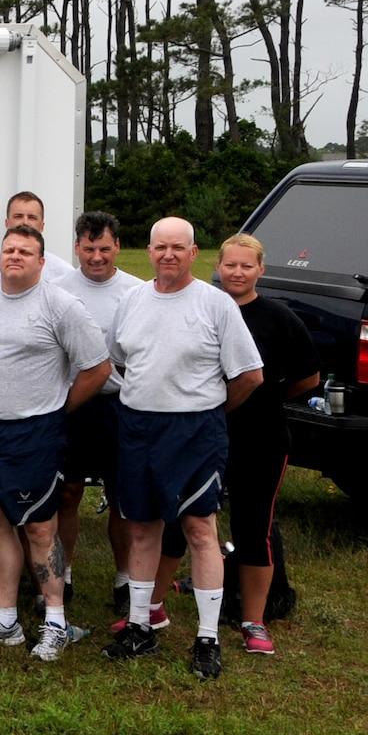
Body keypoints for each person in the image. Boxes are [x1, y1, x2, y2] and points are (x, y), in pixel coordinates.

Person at [138, 234, 320, 657]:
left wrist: (267, 400)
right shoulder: (200, 305)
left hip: (259, 438)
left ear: (261, 269)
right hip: (195, 435)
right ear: (216, 266)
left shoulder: (279, 318)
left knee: (253, 527)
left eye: (247, 266)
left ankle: (253, 620)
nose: (237, 273)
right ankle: (152, 606)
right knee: (176, 521)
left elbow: (308, 377)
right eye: (230, 265)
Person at [103, 217, 264, 681]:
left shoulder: (215, 305)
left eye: (178, 247)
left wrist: (207, 411)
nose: (168, 254)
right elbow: (121, 358)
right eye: (160, 247)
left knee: (199, 529)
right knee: (141, 527)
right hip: (137, 428)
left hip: (196, 431)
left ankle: (207, 639)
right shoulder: (131, 300)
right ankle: (140, 628)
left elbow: (249, 375)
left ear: (195, 254)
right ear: (148, 251)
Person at [0, 225, 111, 662]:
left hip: (37, 433)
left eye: (25, 250)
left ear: (42, 262)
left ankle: (56, 622)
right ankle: (5, 620)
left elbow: (97, 368)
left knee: (41, 527)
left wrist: (58, 410)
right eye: (9, 249)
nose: (15, 256)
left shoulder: (61, 306)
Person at [57, 212, 142, 614]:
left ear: (118, 248)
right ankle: (64, 574)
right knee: (68, 493)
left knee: (121, 496)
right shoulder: (57, 291)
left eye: (104, 248)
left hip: (118, 407)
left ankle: (125, 579)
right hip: (72, 405)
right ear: (76, 247)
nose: (96, 257)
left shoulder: (137, 292)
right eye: (88, 248)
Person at [1, 192, 75, 283]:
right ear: (7, 223)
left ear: (42, 226)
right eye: (18, 216)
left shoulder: (63, 272)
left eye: (32, 217)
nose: (25, 222)